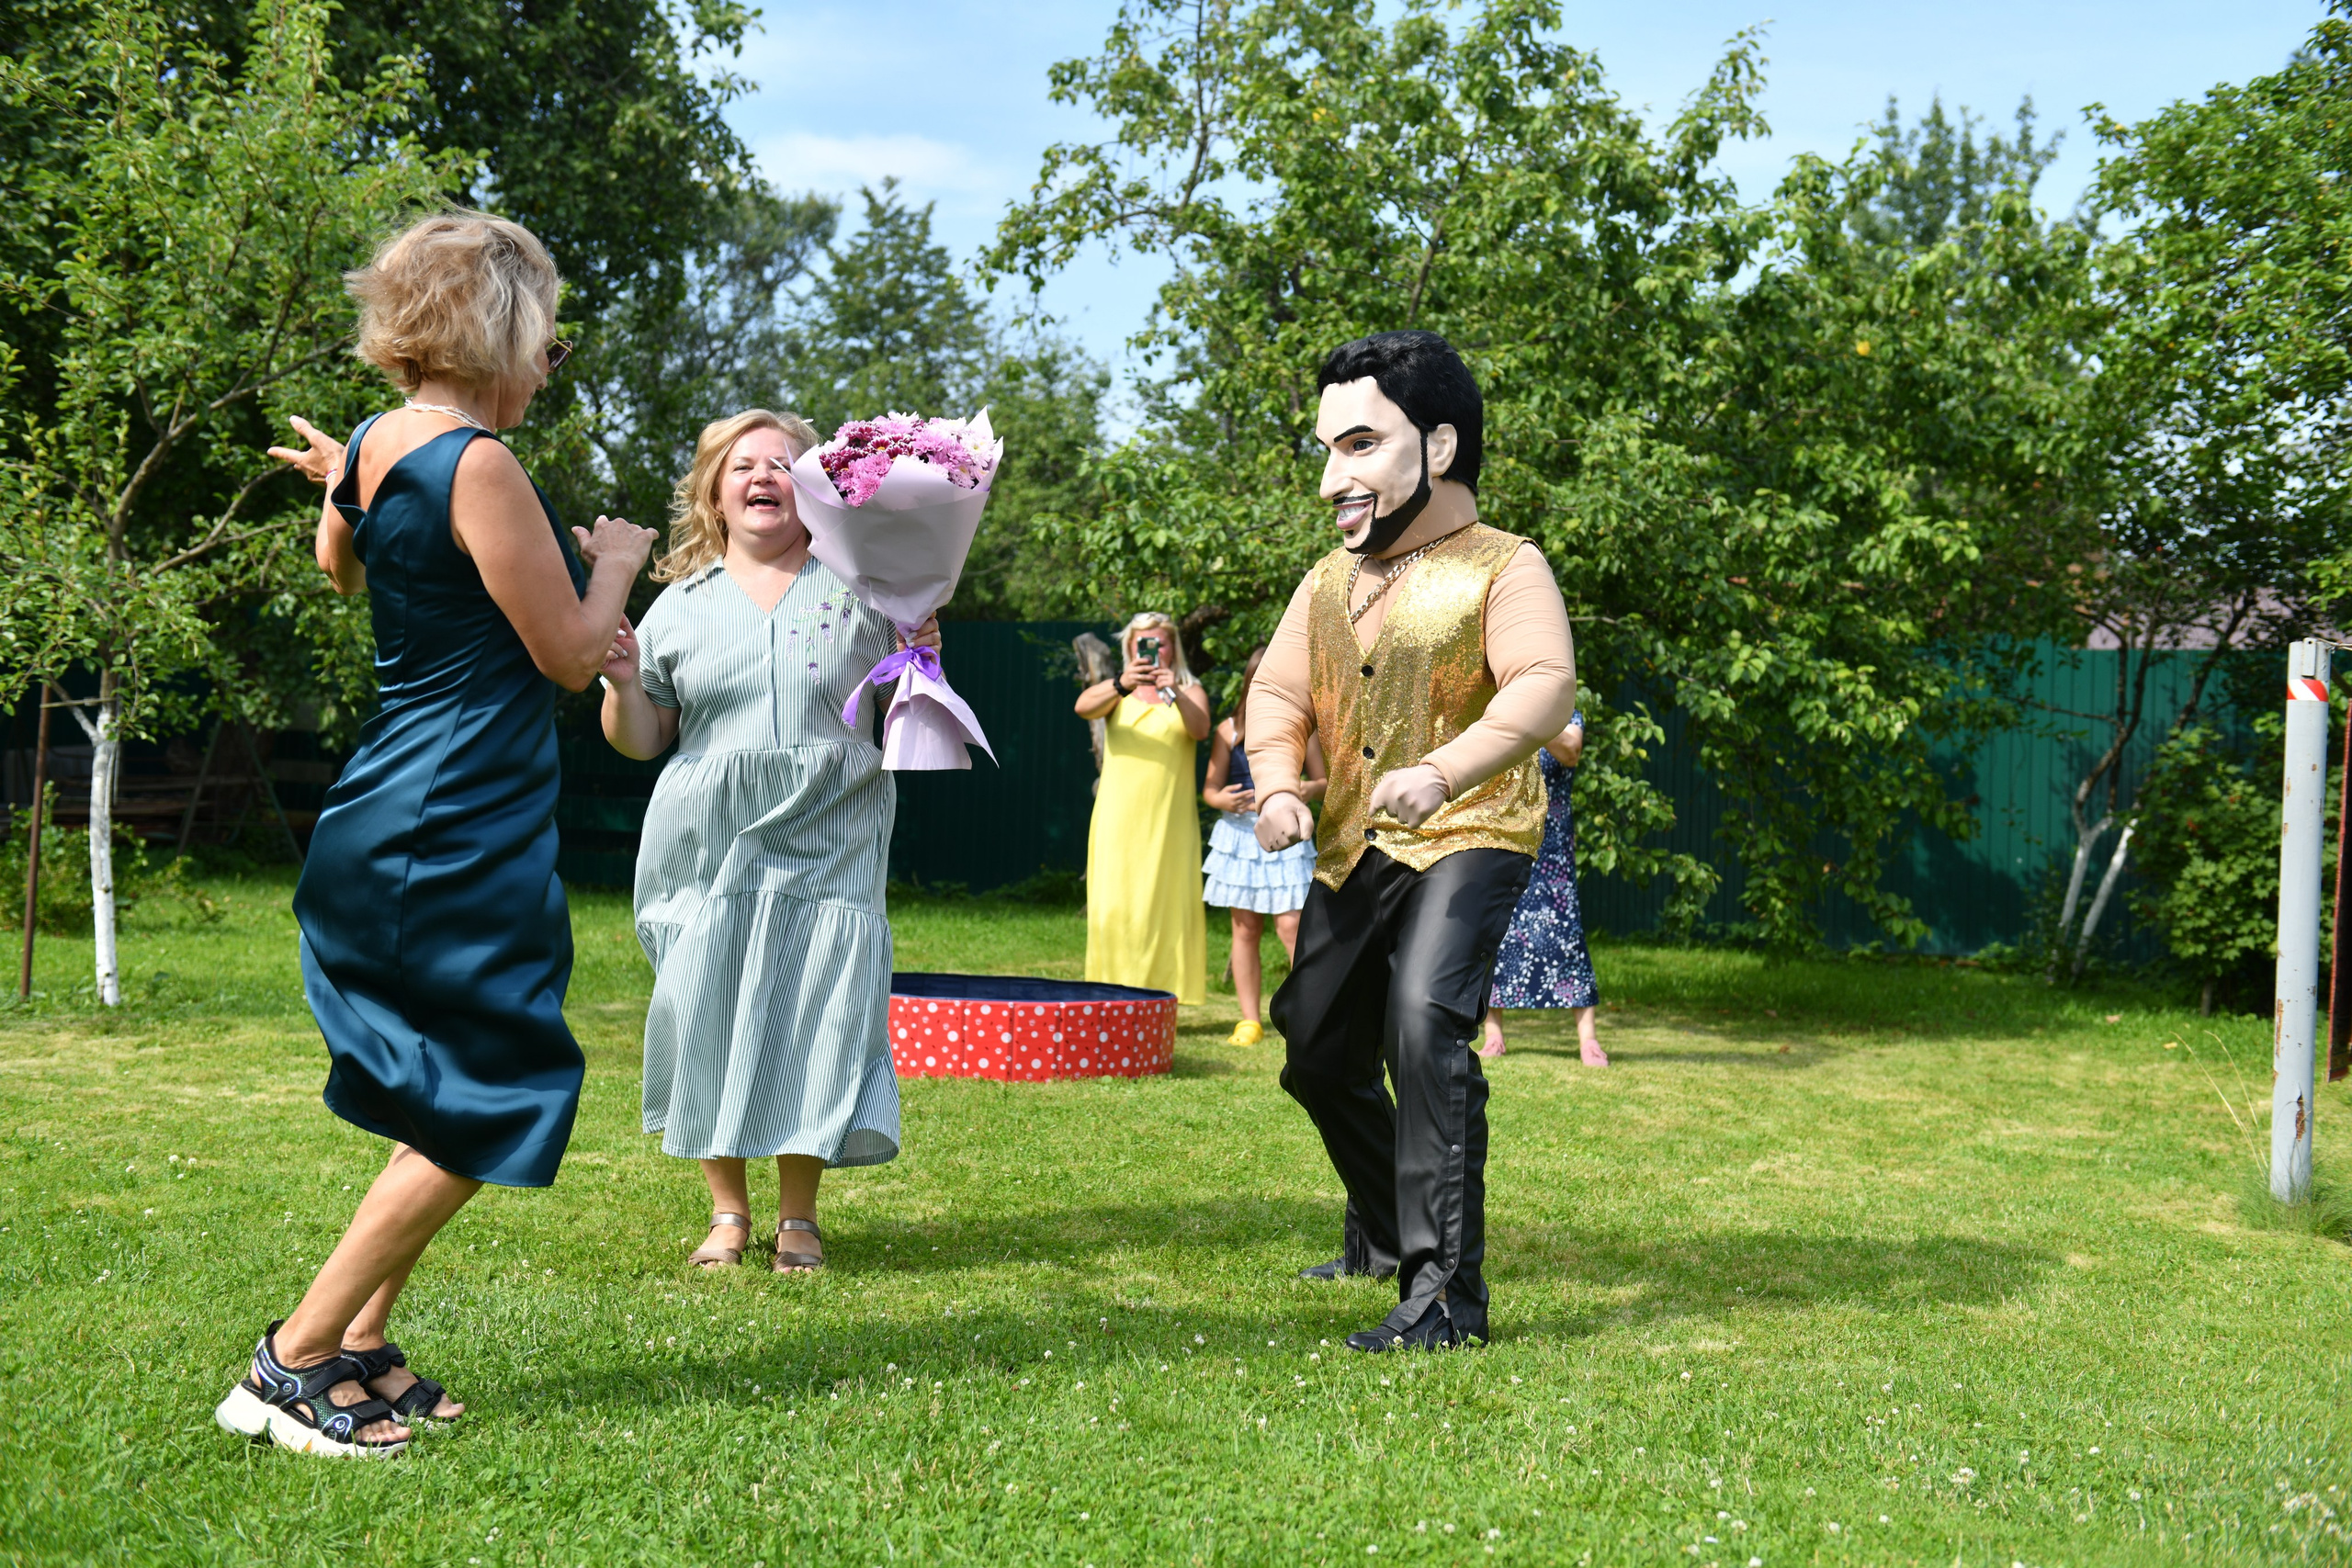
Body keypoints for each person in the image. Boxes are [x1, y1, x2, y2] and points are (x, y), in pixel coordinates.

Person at [221, 211, 656, 1457]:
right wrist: (617, 563)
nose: (548, 360)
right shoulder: (478, 463)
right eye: (548, 336)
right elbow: (572, 656)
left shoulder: (369, 445)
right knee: (495, 1088)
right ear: (499, 324)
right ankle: (292, 1361)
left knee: (448, 1080)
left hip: (404, 798)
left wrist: (346, 486)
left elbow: (342, 572)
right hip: (454, 813)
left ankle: (357, 1342)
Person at [1249, 330, 1575, 1352]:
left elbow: (1542, 686)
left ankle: (1445, 1301)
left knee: (1422, 1025)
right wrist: (1271, 786)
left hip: (1472, 829)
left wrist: (1445, 770)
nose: (1330, 481)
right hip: (1357, 843)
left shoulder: (1504, 565)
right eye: (1325, 453)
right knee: (1314, 1048)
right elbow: (1275, 692)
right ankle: (1387, 1232)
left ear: (1436, 446)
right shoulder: (1325, 582)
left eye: (1357, 446)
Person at [600, 409, 940, 1273]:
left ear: (815, 487)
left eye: (782, 464)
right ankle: (726, 1211)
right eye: (741, 464)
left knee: (815, 1010)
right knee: (704, 1003)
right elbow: (642, 739)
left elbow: (912, 714)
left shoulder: (868, 591)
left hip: (831, 827)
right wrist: (623, 680)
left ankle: (798, 1215)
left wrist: (923, 652)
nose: (762, 477)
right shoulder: (678, 606)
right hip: (703, 838)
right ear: (715, 490)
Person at [1075, 613, 1210, 1003]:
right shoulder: (1117, 692)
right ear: (1130, 648)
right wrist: (1121, 684)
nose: (1152, 650)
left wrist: (1176, 692)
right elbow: (1083, 707)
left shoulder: (1190, 689)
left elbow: (1200, 729)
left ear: (1173, 648)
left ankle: (1163, 997)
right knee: (1116, 903)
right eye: (1143, 644)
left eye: (1160, 643)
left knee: (1165, 905)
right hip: (1118, 820)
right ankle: (1109, 994)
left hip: (1169, 821)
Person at [1201, 645, 1327, 1044]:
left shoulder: (1301, 726)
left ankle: (1308, 1017)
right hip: (1240, 835)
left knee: (1292, 926)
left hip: (1286, 834)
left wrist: (1306, 788)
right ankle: (1249, 1020)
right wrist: (1222, 800)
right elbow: (1210, 789)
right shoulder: (1228, 730)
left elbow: (1323, 781)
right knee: (1245, 926)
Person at [1482, 716, 1606, 1066]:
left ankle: (1589, 1040)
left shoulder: (1565, 711)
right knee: (1497, 931)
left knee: (1566, 932)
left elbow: (1571, 750)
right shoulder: (1499, 705)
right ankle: (1493, 1034)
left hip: (1552, 846)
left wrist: (1531, 715)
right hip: (1504, 837)